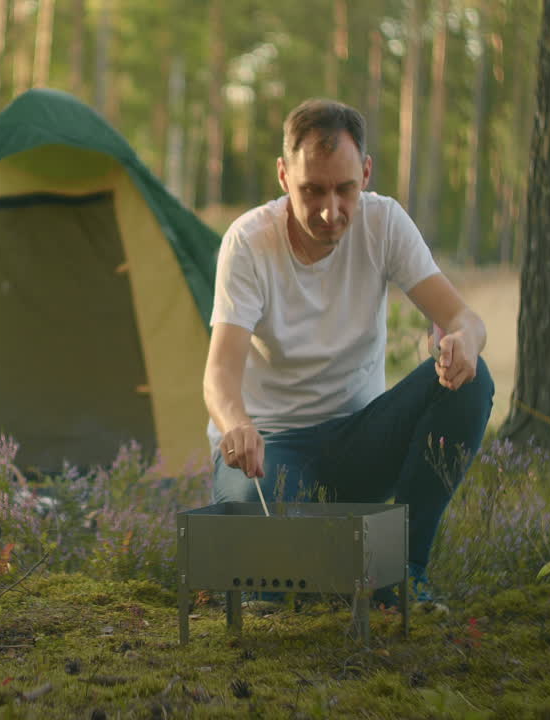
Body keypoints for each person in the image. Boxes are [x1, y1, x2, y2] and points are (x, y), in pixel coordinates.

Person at [203, 98, 494, 603]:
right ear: (282, 175)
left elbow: (463, 318)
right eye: (311, 191)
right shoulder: (249, 243)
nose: (330, 211)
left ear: (366, 172)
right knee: (269, 582)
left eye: (345, 190)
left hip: (359, 442)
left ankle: (401, 572)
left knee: (474, 382)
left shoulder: (384, 223)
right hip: (270, 452)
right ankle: (314, 568)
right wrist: (236, 425)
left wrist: (462, 341)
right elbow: (220, 373)